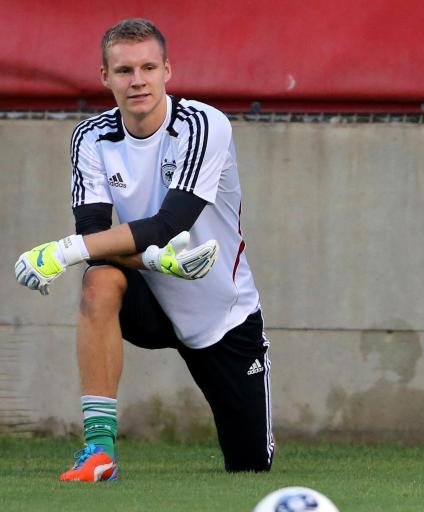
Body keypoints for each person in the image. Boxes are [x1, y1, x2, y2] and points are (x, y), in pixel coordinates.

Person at [13, 18, 274, 480]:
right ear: (104, 78)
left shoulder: (203, 125)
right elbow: (96, 239)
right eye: (124, 70)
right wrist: (152, 260)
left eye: (148, 67)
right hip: (148, 297)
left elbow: (167, 224)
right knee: (99, 280)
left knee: (251, 465)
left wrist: (58, 251)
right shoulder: (91, 138)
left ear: (167, 71)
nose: (137, 81)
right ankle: (99, 450)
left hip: (219, 312)